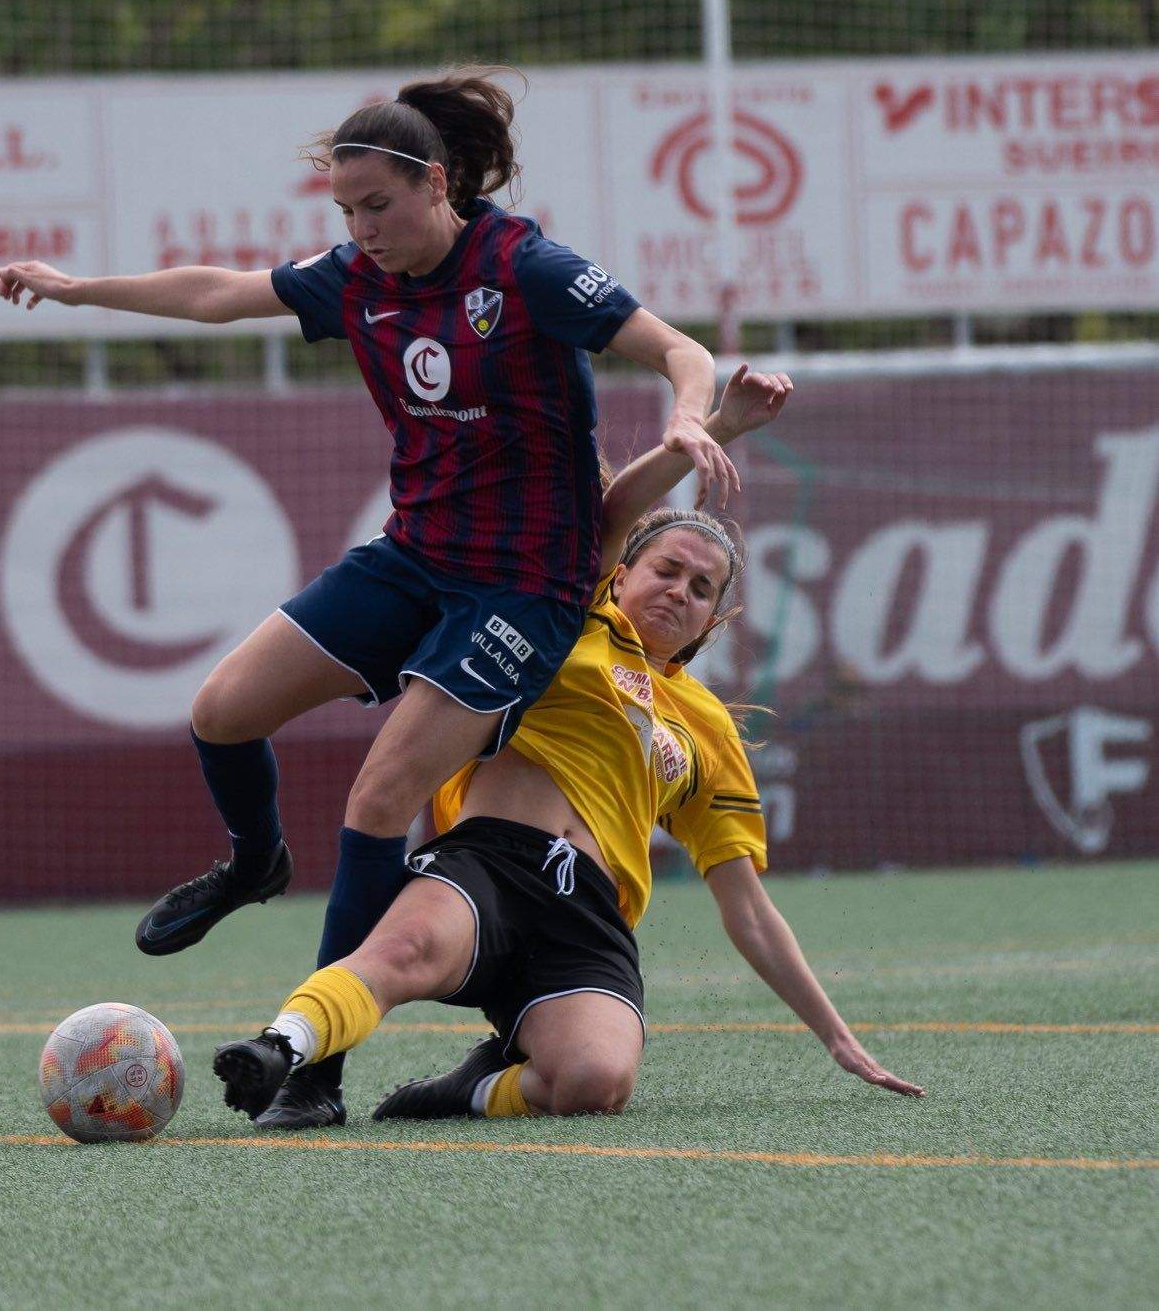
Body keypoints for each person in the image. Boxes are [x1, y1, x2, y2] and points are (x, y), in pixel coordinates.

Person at [0, 66, 738, 1128]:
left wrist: (689, 413)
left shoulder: (524, 267)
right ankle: (256, 862)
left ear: (436, 183)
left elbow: (677, 348)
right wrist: (77, 290)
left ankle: (316, 1073)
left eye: (377, 206)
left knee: (381, 796)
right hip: (413, 557)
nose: (361, 230)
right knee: (221, 711)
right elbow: (217, 294)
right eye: (345, 211)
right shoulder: (355, 277)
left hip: (523, 589)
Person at [212, 364, 924, 1126]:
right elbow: (621, 506)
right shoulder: (572, 618)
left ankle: (467, 1088)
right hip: (488, 861)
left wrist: (836, 1036)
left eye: (701, 588)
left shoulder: (710, 728)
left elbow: (745, 907)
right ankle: (281, 1051)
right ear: (620, 576)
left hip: (588, 912)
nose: (679, 591)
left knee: (595, 1083)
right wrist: (717, 428)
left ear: (713, 618)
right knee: (403, 953)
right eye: (667, 570)